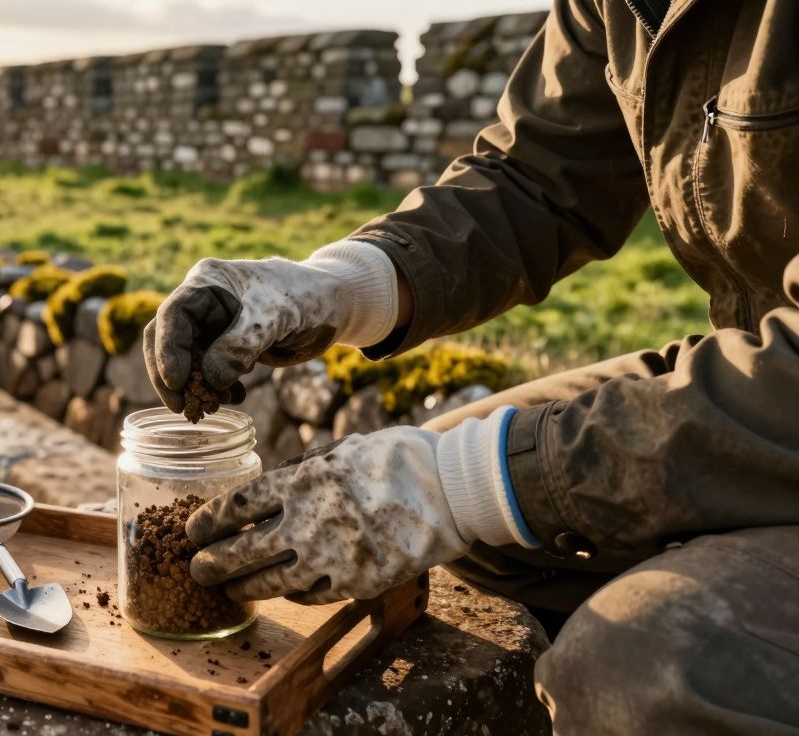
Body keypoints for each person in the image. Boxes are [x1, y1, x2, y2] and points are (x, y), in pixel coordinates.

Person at [143, 0, 799, 732]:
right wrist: (343, 283)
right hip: (761, 366)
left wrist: (463, 480)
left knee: (638, 667)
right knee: (491, 527)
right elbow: (539, 177)